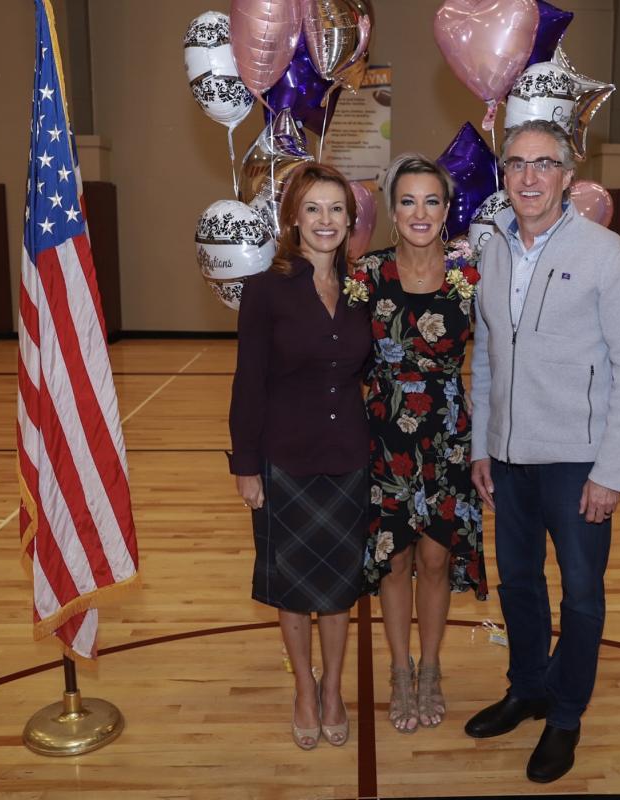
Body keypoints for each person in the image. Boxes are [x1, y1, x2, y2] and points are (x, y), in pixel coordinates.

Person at [465, 120, 620, 782]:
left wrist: (612, 472)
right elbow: (487, 356)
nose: (528, 177)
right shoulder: (492, 253)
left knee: (580, 595)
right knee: (517, 582)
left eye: (544, 164)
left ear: (569, 177)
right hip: (509, 462)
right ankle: (528, 688)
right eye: (516, 164)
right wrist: (483, 444)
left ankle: (567, 714)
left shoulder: (609, 256)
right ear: (505, 176)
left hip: (579, 464)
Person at [228, 163, 371, 751]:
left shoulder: (365, 288)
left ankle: (334, 690)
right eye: (313, 208)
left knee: (337, 590)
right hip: (285, 460)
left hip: (349, 461)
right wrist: (246, 467)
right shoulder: (266, 290)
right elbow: (248, 384)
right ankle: (304, 693)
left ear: (350, 219)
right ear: (292, 216)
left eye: (337, 209)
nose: (326, 220)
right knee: (293, 589)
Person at [357, 153, 488, 734]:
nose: (419, 212)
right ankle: (400, 670)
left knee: (436, 557)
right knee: (396, 557)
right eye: (407, 200)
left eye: (431, 200)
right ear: (392, 210)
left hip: (446, 433)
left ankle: (432, 667)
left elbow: (492, 362)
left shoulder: (468, 273)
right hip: (383, 432)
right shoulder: (366, 275)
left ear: (446, 209)